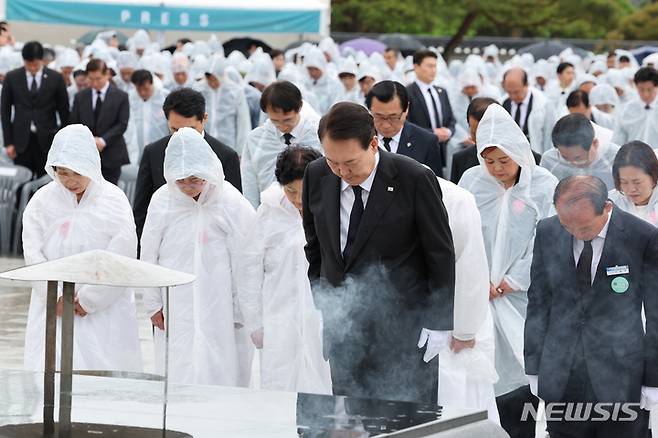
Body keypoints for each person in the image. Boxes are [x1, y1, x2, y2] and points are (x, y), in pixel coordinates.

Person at [302, 102, 455, 403]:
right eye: (333, 162)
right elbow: (315, 247)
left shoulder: (412, 178)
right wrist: (325, 302)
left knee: (407, 421)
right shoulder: (317, 175)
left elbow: (439, 253)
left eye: (350, 163)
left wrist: (439, 321)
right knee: (349, 419)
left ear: (372, 144)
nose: (342, 172)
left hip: (404, 328)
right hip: (345, 327)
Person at [525, 175, 658, 437]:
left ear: (606, 207)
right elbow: (538, 301)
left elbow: (655, 314)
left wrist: (653, 380)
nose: (575, 233)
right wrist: (534, 366)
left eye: (584, 228)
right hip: (562, 374)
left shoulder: (642, 237)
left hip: (620, 376)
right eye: (567, 226)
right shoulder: (547, 231)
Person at [458, 104, 558, 438]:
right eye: (489, 161)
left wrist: (511, 281)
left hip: (522, 299)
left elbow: (546, 238)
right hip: (479, 296)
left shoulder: (542, 185)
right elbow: (460, 232)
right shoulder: (472, 181)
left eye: (504, 160)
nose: (497, 169)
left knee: (522, 372)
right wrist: (475, 278)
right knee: (483, 374)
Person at [140, 127, 257, 386]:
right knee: (178, 362)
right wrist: (153, 304)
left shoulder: (229, 201)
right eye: (181, 181)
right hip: (176, 300)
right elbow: (148, 253)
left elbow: (247, 258)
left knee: (221, 363)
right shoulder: (163, 200)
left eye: (195, 179)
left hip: (220, 298)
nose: (188, 186)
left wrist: (243, 309)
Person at [22, 124, 142, 372]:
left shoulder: (113, 201)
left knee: (102, 373)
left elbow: (122, 253)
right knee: (51, 370)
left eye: (77, 172)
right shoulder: (42, 201)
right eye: (63, 172)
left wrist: (90, 300)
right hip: (53, 305)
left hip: (104, 308)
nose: (70, 181)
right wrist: (53, 296)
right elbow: (33, 251)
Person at [240, 145, 332, 394]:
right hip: (279, 315)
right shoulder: (269, 212)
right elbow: (249, 268)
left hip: (321, 315)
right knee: (280, 384)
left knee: (323, 381)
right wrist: (254, 321)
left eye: (305, 192)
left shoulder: (332, 208)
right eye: (291, 191)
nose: (298, 200)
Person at [133, 87, 241, 239]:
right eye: (175, 129)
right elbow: (141, 211)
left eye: (191, 129)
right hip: (168, 243)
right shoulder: (154, 153)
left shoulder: (225, 156)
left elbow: (234, 213)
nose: (183, 136)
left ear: (204, 118)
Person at [434, 175, 500, 425]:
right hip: (422, 320)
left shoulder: (456, 200)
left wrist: (464, 329)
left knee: (461, 394)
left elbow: (471, 268)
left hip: (459, 318)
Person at [241, 81, 321, 208]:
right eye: (275, 121)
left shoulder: (318, 135)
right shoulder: (256, 139)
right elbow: (249, 184)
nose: (283, 126)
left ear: (299, 107)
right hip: (271, 213)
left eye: (288, 120)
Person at [1, 41, 69, 176]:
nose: (32, 68)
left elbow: (64, 112)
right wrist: (8, 143)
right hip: (21, 140)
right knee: (21, 180)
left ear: (42, 60)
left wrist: (63, 142)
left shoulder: (55, 78)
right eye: (29, 64)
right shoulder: (12, 77)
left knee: (46, 180)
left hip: (47, 139)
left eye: (36, 65)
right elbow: (5, 112)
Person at [450, 97, 542, 184]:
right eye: (475, 133)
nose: (481, 140)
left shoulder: (531, 159)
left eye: (504, 161)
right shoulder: (461, 160)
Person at [69, 58, 130, 185]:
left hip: (111, 154)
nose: (95, 83)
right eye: (91, 79)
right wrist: (90, 140)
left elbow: (122, 124)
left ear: (106, 74)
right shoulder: (80, 97)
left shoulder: (121, 96)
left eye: (98, 79)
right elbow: (74, 123)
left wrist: (103, 141)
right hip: (86, 155)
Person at [365, 80, 443, 176]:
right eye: (378, 116)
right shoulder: (361, 138)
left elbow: (435, 185)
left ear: (406, 109)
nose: (386, 125)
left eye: (393, 117)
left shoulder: (426, 142)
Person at [406, 49, 456, 172]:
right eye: (429, 66)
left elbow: (451, 119)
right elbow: (407, 123)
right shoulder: (408, 92)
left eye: (435, 66)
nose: (433, 70)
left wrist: (448, 131)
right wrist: (431, 133)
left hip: (442, 149)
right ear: (416, 67)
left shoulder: (441, 92)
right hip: (419, 150)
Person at [541, 113, 619, 190]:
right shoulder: (550, 161)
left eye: (578, 158)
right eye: (565, 158)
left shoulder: (616, 158)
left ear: (595, 143)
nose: (573, 163)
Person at [194, 55, 251, 155]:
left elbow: (243, 123)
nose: (211, 83)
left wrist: (241, 150)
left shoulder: (234, 91)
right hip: (202, 145)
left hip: (227, 145)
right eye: (209, 80)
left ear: (221, 76)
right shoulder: (199, 89)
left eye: (214, 79)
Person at [501, 67, 556, 154]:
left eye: (516, 92)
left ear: (526, 84)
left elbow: (548, 137)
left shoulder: (543, 104)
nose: (513, 97)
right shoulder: (503, 103)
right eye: (509, 92)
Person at [125, 69, 169, 164]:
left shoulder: (164, 97)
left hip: (161, 149)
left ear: (151, 83)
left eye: (146, 89)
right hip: (137, 151)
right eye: (139, 90)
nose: (142, 93)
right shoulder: (130, 99)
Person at [609, 141, 658, 226]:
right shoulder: (611, 202)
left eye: (637, 182)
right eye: (624, 182)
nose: (631, 189)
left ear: (654, 176)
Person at [613, 66, 658, 146]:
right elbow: (618, 139)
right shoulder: (627, 110)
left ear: (656, 87)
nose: (645, 94)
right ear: (636, 87)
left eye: (649, 89)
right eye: (641, 89)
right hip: (634, 157)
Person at [303, 47, 344, 115]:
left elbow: (336, 106)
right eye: (310, 69)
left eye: (316, 69)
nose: (313, 73)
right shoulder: (305, 83)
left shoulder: (333, 84)